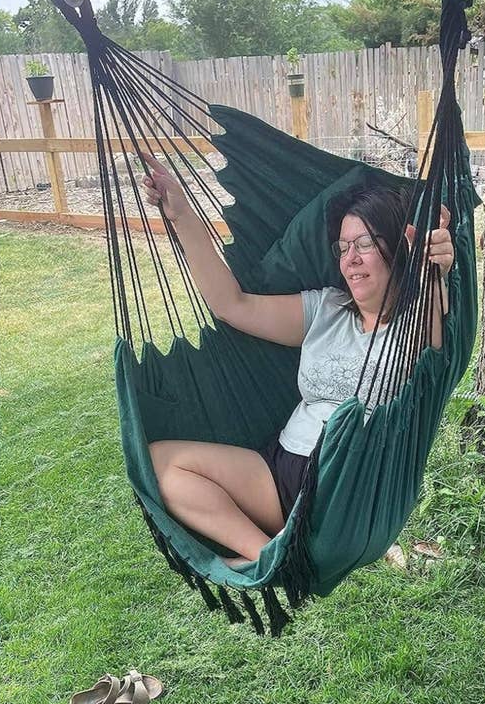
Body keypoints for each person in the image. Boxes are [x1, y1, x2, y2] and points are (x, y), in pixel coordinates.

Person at [140, 154, 453, 567]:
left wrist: (434, 269)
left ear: (398, 248)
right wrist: (179, 213)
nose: (350, 260)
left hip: (342, 491)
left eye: (364, 244)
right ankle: (268, 556)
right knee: (158, 460)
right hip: (280, 469)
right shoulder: (325, 308)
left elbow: (435, 334)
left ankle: (277, 551)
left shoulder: (414, 328)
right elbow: (230, 304)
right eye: (343, 248)